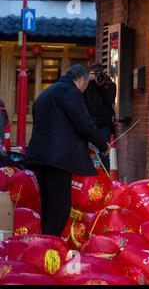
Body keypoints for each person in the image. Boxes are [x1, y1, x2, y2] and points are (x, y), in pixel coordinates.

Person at [26, 65, 109, 236]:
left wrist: (87, 143)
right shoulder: (70, 92)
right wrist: (103, 145)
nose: (84, 90)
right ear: (80, 80)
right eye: (85, 86)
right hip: (58, 160)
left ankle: (45, 242)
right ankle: (49, 247)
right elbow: (84, 123)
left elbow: (60, 125)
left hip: (40, 157)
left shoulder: (47, 93)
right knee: (59, 207)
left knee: (48, 205)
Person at [84, 63, 116, 172]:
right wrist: (87, 81)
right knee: (89, 152)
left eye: (99, 72)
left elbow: (110, 100)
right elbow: (79, 99)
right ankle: (89, 174)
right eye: (95, 73)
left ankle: (105, 175)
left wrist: (102, 85)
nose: (98, 75)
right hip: (89, 123)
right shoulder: (87, 84)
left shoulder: (109, 84)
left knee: (104, 151)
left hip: (104, 124)